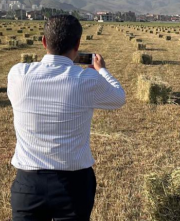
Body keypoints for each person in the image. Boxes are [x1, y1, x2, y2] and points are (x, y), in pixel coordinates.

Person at [7, 15, 126, 221]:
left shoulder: (18, 74)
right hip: (73, 185)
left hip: (28, 185)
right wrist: (102, 70)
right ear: (78, 44)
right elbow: (119, 97)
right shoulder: (86, 80)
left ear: (44, 41)